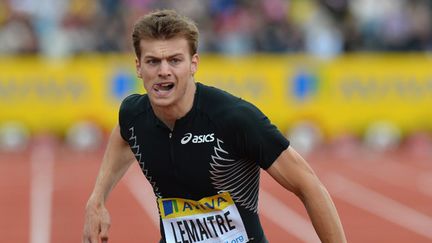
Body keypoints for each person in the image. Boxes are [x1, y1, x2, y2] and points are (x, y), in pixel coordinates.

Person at [82, 9, 347, 243]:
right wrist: (97, 199)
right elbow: (123, 134)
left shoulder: (234, 118)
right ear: (139, 67)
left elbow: (309, 185)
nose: (163, 70)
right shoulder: (133, 114)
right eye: (153, 61)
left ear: (193, 64)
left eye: (175, 60)